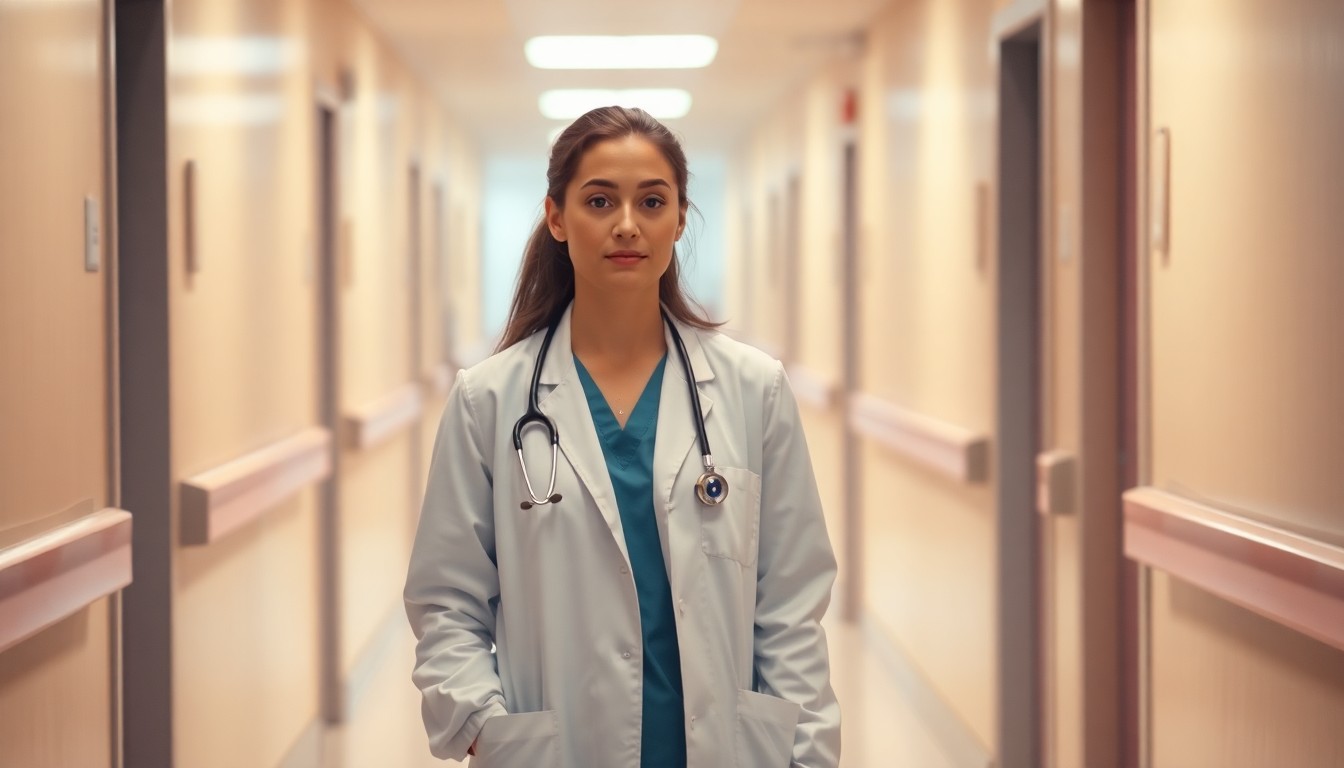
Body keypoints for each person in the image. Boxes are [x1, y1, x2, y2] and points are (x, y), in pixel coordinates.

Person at [404, 105, 840, 767]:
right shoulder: (488, 402)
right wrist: (484, 728)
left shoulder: (756, 391)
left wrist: (806, 754)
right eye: (600, 200)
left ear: (680, 218)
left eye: (652, 201)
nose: (627, 225)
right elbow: (447, 602)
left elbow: (790, 607)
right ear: (557, 217)